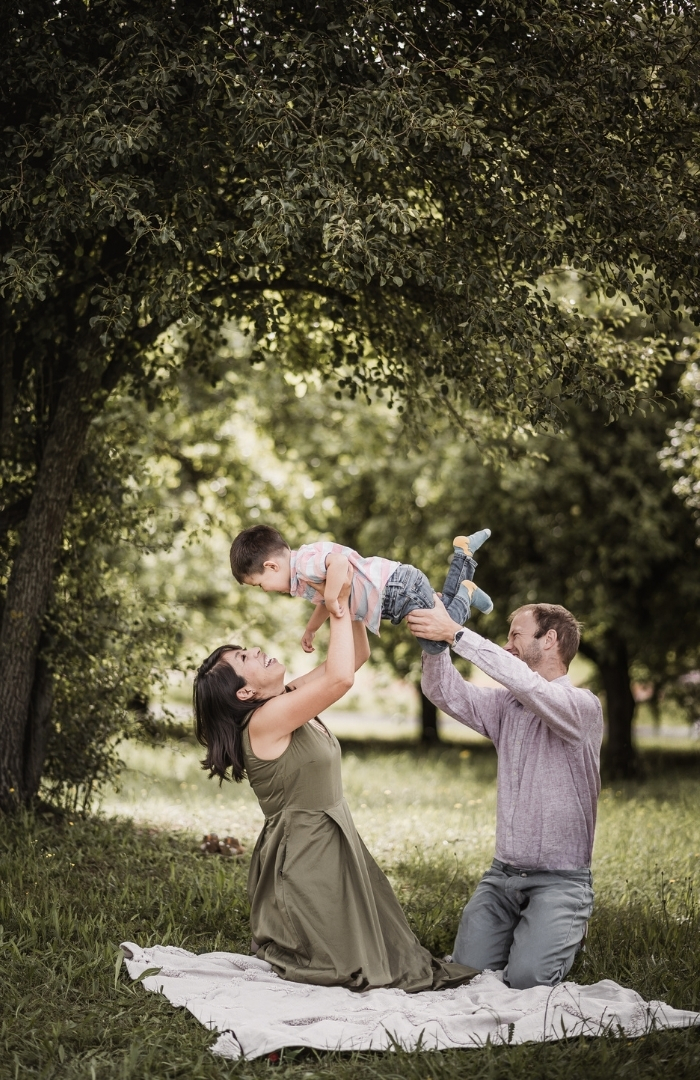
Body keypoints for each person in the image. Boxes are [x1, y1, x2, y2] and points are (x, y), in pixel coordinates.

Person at [193, 597, 479, 992]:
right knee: (344, 967)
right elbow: (341, 679)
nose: (256, 651)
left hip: (332, 842)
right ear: (244, 694)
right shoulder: (266, 721)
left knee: (383, 958)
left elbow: (355, 657)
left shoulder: (284, 700)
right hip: (306, 861)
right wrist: (336, 601)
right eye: (245, 658)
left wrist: (352, 600)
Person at [406, 598, 604, 991]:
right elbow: (443, 691)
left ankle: (565, 926)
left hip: (561, 881)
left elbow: (528, 684)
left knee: (528, 981)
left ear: (550, 640)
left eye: (515, 634)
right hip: (502, 877)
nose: (508, 644)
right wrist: (436, 643)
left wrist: (458, 635)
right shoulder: (507, 706)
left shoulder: (582, 707)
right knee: (465, 976)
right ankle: (530, 931)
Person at [229, 523, 493, 655]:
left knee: (437, 640)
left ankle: (466, 588)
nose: (265, 590)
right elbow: (324, 602)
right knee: (440, 622)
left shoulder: (304, 564)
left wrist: (332, 598)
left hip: (397, 588)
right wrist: (312, 628)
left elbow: (340, 563)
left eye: (260, 584)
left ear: (272, 566)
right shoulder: (302, 578)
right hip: (397, 593)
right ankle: (463, 559)